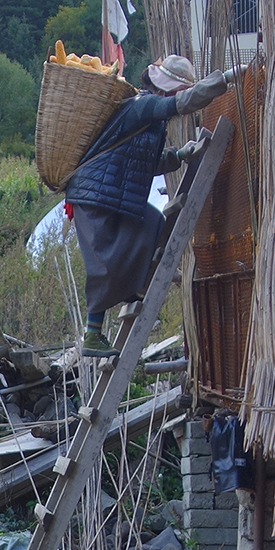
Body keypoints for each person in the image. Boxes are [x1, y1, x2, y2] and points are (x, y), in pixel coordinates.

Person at [65, 54, 232, 357]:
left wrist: (180, 155)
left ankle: (134, 287)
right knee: (106, 261)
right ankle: (92, 334)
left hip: (108, 194)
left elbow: (146, 163)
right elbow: (183, 104)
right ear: (167, 89)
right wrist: (226, 79)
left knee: (151, 223)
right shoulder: (144, 106)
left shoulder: (149, 120)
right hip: (96, 195)